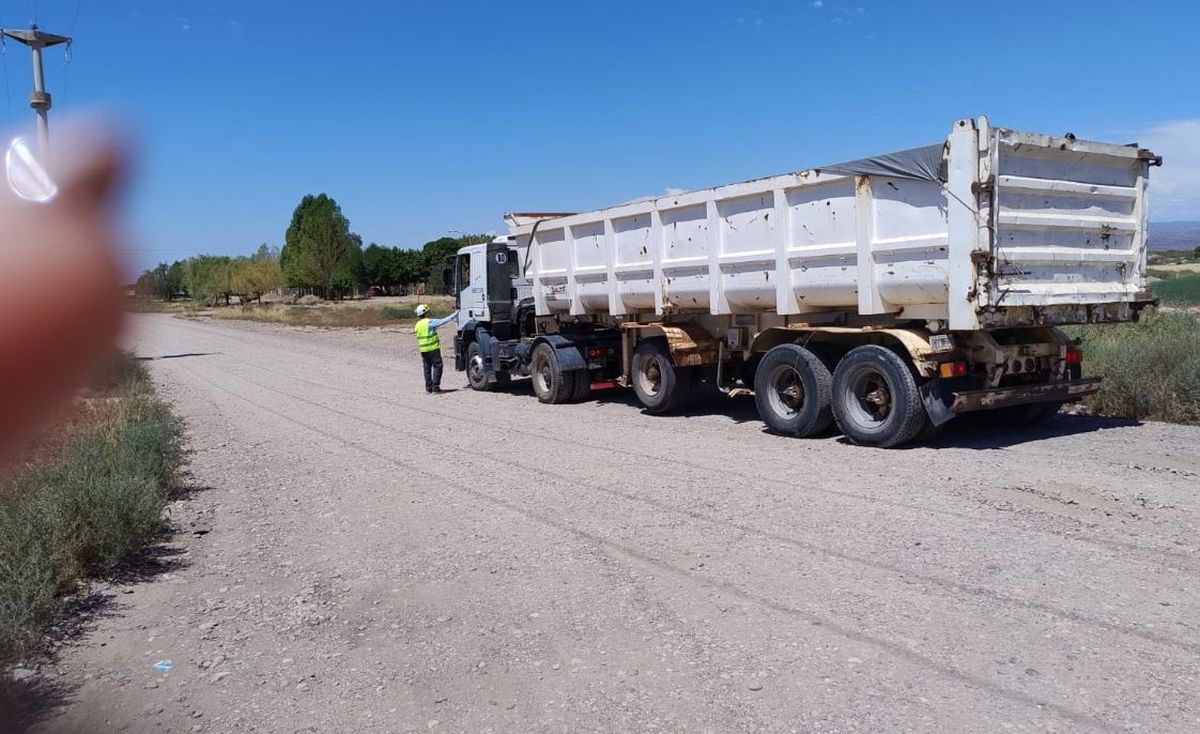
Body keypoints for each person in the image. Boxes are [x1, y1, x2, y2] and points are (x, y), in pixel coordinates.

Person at [413, 304, 458, 393]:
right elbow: (444, 321)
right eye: (428, 311)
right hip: (433, 348)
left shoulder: (417, 324)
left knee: (427, 369)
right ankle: (436, 387)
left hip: (423, 350)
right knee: (438, 366)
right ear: (425, 313)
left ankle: (428, 388)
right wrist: (455, 314)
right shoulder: (429, 322)